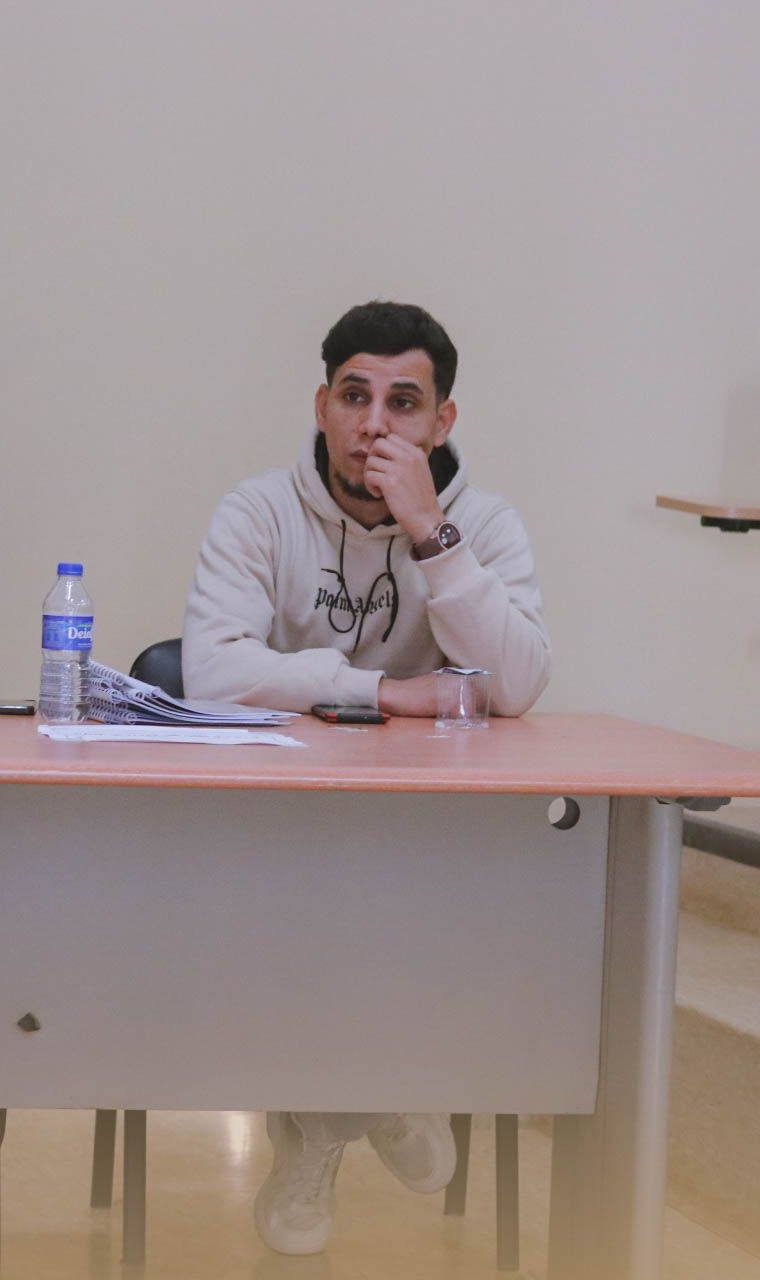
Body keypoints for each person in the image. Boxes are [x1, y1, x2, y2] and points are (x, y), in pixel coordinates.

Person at [181, 300, 551, 1255]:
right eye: (354, 397)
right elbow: (211, 671)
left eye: (403, 403)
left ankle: (323, 1116)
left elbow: (516, 684)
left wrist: (431, 531)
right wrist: (386, 692)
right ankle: (369, 1097)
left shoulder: (485, 523)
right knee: (309, 900)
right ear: (322, 406)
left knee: (416, 900)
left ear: (442, 422)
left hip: (430, 838)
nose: (375, 425)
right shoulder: (259, 510)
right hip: (280, 827)